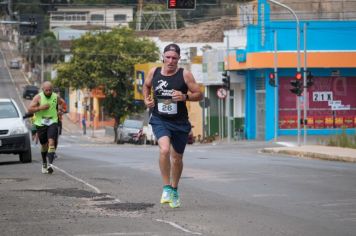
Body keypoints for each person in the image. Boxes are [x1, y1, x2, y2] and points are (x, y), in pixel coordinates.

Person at [143, 43, 203, 208]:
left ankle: (174, 190)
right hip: (160, 118)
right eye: (168, 57)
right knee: (164, 149)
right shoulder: (154, 72)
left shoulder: (185, 75)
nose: (170, 61)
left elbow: (199, 94)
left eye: (174, 58)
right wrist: (146, 98)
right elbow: (146, 85)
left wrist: (184, 97)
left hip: (180, 122)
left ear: (179, 59)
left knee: (177, 158)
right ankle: (166, 188)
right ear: (163, 56)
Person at [28, 81, 63, 174]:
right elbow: (30, 109)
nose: (48, 92)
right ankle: (44, 163)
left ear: (52, 89)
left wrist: (60, 110)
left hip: (53, 122)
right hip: (41, 123)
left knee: (51, 141)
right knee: (43, 145)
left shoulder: (55, 96)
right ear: (43, 89)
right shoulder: (38, 97)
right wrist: (40, 108)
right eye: (46, 90)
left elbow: (62, 103)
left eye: (50, 90)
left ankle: (50, 165)